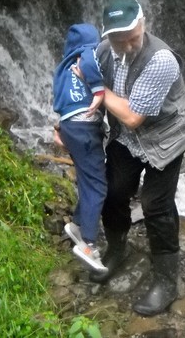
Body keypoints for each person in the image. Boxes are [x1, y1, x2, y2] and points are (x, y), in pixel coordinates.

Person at [88, 0, 185, 316]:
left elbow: (134, 115)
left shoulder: (161, 59)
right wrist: (70, 126)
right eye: (123, 40)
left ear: (143, 23)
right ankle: (117, 248)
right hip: (127, 137)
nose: (131, 43)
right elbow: (92, 102)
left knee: (155, 204)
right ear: (109, 37)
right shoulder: (103, 52)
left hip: (166, 138)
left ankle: (166, 279)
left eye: (135, 35)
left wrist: (99, 89)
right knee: (114, 190)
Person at [53, 23, 107, 272]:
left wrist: (60, 127)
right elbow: (89, 64)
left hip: (68, 127)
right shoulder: (88, 54)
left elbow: (58, 100)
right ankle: (89, 244)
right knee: (97, 185)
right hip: (85, 128)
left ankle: (76, 224)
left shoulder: (63, 68)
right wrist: (98, 91)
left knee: (87, 178)